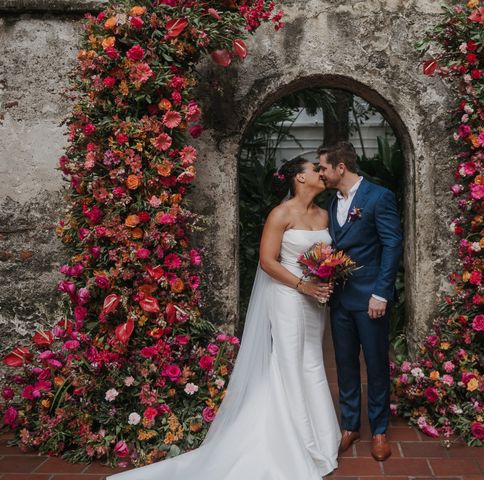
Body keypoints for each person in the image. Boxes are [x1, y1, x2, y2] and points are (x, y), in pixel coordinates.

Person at [106, 157, 340, 480]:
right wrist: (303, 285)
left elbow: (326, 256)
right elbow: (268, 262)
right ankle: (300, 442)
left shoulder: (324, 214)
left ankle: (324, 439)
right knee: (288, 363)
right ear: (300, 178)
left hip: (316, 301)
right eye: (315, 168)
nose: (321, 172)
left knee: (312, 361)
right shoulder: (280, 215)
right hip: (288, 298)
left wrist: (324, 279)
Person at [317, 141, 403, 462]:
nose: (320, 172)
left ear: (341, 167)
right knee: (345, 364)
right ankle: (349, 425)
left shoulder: (379, 197)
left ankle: (379, 430)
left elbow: (392, 245)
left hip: (371, 300)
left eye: (324, 167)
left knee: (377, 364)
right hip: (339, 299)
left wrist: (381, 293)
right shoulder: (330, 202)